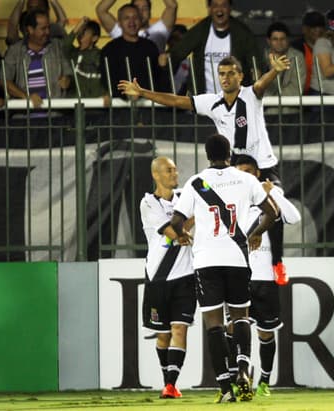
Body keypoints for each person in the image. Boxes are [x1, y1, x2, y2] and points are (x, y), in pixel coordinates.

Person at [118, 55, 290, 282]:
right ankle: (233, 257)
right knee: (228, 211)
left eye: (231, 73)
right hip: (236, 166)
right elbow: (178, 101)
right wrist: (143, 93)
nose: (226, 78)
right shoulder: (213, 102)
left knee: (273, 207)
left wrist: (274, 71)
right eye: (222, 74)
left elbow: (261, 85)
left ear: (241, 76)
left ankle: (277, 263)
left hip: (263, 165)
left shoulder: (250, 95)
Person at [170, 134, 277, 403]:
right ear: (229, 154)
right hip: (237, 259)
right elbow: (271, 212)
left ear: (207, 155)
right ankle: (243, 370)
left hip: (206, 261)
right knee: (240, 317)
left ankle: (226, 387)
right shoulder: (246, 179)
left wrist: (182, 235)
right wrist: (256, 233)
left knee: (214, 324)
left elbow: (176, 221)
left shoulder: (196, 183)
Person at [234, 154, 300, 397]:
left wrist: (274, 194)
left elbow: (294, 217)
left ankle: (264, 380)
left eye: (249, 171)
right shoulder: (234, 202)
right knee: (236, 329)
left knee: (265, 332)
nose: (246, 176)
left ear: (257, 174)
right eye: (241, 172)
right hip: (240, 276)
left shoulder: (269, 201)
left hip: (265, 278)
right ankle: (239, 376)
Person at [140, 156, 196, 399]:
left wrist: (186, 227)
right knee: (163, 335)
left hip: (185, 276)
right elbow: (172, 232)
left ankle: (171, 385)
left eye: (175, 169)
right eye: (169, 170)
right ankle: (167, 380)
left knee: (179, 329)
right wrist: (189, 225)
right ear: (156, 175)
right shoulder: (148, 203)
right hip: (158, 277)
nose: (175, 174)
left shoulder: (186, 196)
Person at [166, 0, 260, 94]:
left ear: (230, 8)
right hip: (205, 98)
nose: (219, 9)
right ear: (209, 8)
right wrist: (166, 57)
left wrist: (255, 77)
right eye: (215, 5)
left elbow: (255, 63)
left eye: (224, 5)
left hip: (235, 98)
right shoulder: (200, 30)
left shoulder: (242, 33)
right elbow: (178, 52)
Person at [1, 10, 72, 110]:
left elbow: (68, 73)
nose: (47, 32)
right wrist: (26, 97)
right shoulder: (15, 51)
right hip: (24, 118)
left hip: (55, 116)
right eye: (43, 29)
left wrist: (67, 79)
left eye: (48, 28)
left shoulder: (57, 46)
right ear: (30, 29)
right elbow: (4, 80)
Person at [100, 3, 166, 96]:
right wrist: (125, 95)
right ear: (119, 23)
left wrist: (163, 67)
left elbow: (158, 78)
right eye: (127, 18)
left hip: (148, 105)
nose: (132, 21)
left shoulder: (150, 47)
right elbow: (107, 79)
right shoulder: (110, 49)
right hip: (120, 106)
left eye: (135, 18)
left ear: (141, 20)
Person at [95, 0, 177, 54]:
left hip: (153, 78)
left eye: (145, 8)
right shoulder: (122, 31)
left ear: (150, 12)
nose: (140, 12)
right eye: (137, 8)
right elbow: (101, 10)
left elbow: (172, 6)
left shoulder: (159, 30)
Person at [262, 21, 306, 114]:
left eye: (282, 39)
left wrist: (270, 100)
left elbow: (297, 88)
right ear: (268, 41)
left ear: (288, 40)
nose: (279, 42)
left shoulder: (297, 57)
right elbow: (258, 87)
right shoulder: (261, 57)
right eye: (275, 39)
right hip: (265, 112)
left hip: (291, 112)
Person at [62, 17, 109, 102]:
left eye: (85, 32)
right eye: (80, 32)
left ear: (94, 38)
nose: (80, 35)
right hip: (76, 103)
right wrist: (78, 25)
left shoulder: (100, 55)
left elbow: (108, 76)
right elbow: (65, 45)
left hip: (96, 103)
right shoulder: (73, 53)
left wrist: (106, 93)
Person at [290, 10, 325, 94]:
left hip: (325, 93)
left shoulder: (330, 46)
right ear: (304, 29)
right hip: (301, 95)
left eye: (320, 27)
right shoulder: (295, 48)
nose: (318, 30)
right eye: (313, 27)